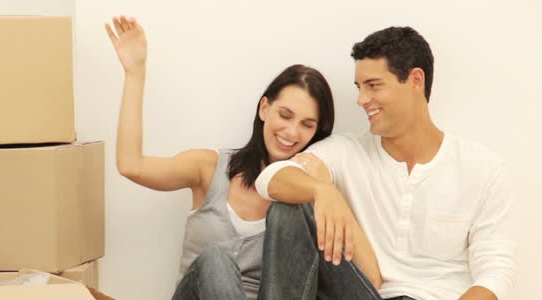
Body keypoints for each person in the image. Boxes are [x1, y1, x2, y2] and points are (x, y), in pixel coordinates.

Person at [104, 15, 382, 300]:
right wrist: (135, 72)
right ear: (264, 109)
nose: (291, 131)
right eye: (285, 115)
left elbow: (369, 279)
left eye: (306, 124)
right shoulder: (210, 168)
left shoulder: (306, 200)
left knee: (288, 214)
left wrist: (326, 190)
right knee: (215, 260)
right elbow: (131, 166)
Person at [255, 26, 517, 300]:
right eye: (359, 87)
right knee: (289, 208)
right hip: (366, 294)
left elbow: (496, 271)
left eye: (373, 85)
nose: (361, 100)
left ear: (416, 80)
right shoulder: (347, 151)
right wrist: (323, 191)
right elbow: (272, 178)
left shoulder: (482, 167)